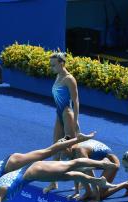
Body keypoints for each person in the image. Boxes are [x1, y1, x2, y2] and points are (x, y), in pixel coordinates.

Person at [44, 52, 80, 193]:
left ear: (61, 63)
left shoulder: (69, 79)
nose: (51, 67)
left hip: (67, 114)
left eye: (53, 64)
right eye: (51, 64)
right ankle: (54, 182)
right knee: (56, 149)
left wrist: (76, 120)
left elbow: (76, 101)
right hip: (59, 114)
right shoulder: (58, 76)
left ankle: (78, 187)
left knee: (72, 152)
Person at [59, 138, 128, 202]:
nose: (61, 155)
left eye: (62, 152)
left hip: (112, 163)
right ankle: (88, 192)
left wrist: (97, 198)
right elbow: (75, 171)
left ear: (68, 148)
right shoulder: (72, 150)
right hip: (102, 162)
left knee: (98, 195)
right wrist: (77, 192)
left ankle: (126, 184)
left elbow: (90, 175)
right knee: (80, 168)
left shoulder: (80, 151)